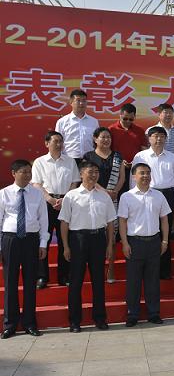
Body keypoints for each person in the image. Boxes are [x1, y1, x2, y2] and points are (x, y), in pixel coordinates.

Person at [59, 160, 116, 332]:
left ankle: (100, 318)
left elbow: (110, 223)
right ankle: (74, 321)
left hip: (98, 239)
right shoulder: (71, 196)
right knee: (76, 281)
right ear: (81, 174)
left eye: (96, 172)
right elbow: (64, 223)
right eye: (90, 172)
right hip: (78, 240)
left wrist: (110, 245)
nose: (94, 175)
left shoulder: (104, 196)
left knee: (98, 281)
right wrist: (66, 246)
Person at [118, 163, 170, 327]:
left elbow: (164, 219)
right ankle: (132, 314)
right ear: (134, 176)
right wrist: (125, 243)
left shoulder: (158, 195)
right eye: (142, 173)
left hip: (154, 241)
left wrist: (165, 240)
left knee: (152, 280)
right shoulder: (127, 196)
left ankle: (154, 313)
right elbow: (122, 221)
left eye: (148, 173)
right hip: (135, 242)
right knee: (133, 281)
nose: (146, 176)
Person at [0, 160, 48, 338]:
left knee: (30, 282)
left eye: (29, 172)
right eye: (24, 172)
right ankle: (10, 324)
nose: (28, 175)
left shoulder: (37, 194)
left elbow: (43, 220)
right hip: (10, 239)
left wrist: (43, 243)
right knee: (10, 282)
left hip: (31, 240)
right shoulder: (4, 194)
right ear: (14, 173)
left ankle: (29, 323)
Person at [132, 126, 174, 280]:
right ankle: (147, 270)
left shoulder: (172, 157)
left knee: (164, 232)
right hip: (147, 194)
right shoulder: (140, 156)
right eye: (155, 136)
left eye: (162, 136)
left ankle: (164, 271)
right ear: (149, 138)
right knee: (151, 231)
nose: (159, 139)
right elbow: (133, 180)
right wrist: (134, 198)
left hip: (167, 195)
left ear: (166, 139)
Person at [31, 131, 80, 288]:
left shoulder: (70, 161)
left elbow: (74, 182)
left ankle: (64, 276)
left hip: (66, 202)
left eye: (61, 141)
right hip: (46, 203)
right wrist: (50, 199)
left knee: (65, 240)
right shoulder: (39, 162)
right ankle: (41, 276)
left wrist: (65, 199)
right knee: (43, 239)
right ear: (47, 143)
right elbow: (36, 184)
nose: (59, 144)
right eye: (55, 141)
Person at [83, 127, 125, 284]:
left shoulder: (117, 156)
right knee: (97, 235)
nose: (106, 140)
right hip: (94, 198)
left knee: (111, 236)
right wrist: (105, 191)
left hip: (113, 199)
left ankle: (111, 268)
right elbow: (88, 178)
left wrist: (115, 191)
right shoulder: (88, 156)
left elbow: (122, 177)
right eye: (103, 137)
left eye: (108, 137)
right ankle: (96, 269)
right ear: (95, 139)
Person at [107, 104, 148, 187]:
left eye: (131, 119)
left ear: (134, 117)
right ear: (120, 115)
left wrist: (135, 161)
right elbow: (107, 149)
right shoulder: (111, 129)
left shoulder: (139, 130)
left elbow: (144, 150)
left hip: (135, 167)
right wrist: (120, 161)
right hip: (116, 167)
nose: (128, 121)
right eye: (125, 119)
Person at [55, 89, 99, 164]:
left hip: (89, 161)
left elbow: (97, 142)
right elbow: (57, 143)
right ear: (71, 102)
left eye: (84, 101)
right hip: (68, 160)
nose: (81, 103)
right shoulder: (62, 122)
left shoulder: (94, 122)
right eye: (78, 100)